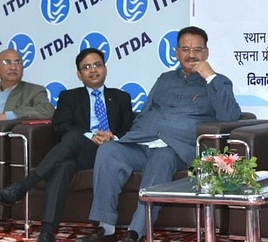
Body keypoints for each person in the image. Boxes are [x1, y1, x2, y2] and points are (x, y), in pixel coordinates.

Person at [80, 26, 241, 242]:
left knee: (162, 158)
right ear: (176, 52)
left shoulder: (218, 82)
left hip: (176, 148)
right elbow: (146, 112)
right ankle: (105, 228)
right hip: (142, 142)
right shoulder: (165, 79)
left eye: (197, 49)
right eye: (185, 48)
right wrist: (123, 138)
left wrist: (209, 75)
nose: (191, 54)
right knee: (109, 151)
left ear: (206, 53)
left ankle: (136, 232)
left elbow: (230, 116)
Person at [0, 48, 133, 242]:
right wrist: (91, 136)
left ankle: (24, 185)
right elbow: (60, 125)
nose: (93, 70)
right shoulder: (68, 97)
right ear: (79, 75)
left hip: (112, 152)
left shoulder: (121, 97)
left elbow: (130, 129)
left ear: (105, 69)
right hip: (83, 152)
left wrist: (111, 138)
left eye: (97, 65)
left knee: (71, 139)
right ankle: (47, 232)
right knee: (64, 163)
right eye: (86, 67)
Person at [0, 48, 55, 120]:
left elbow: (47, 110)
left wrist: (9, 116)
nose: (13, 67)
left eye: (18, 62)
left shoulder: (34, 91)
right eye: (7, 62)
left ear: (23, 68)